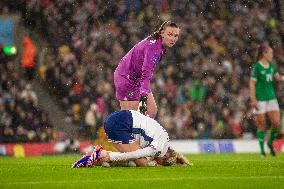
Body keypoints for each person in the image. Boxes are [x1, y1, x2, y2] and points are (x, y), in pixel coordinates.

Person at [72, 110, 191, 167]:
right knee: (143, 163)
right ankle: (99, 154)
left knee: (134, 163)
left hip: (122, 118)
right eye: (162, 163)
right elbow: (134, 154)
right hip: (120, 123)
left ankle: (99, 160)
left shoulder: (164, 142)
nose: (160, 164)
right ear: (164, 157)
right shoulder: (159, 148)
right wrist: (111, 156)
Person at [114, 21, 180, 118]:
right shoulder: (154, 49)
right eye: (170, 34)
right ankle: (115, 132)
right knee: (132, 117)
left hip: (136, 78)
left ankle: (137, 132)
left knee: (151, 111)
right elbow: (146, 73)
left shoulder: (158, 42)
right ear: (162, 33)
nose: (173, 39)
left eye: (175, 36)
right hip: (126, 79)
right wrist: (143, 99)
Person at [249, 43, 282, 157]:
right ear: (264, 54)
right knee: (262, 125)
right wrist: (253, 99)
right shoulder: (256, 67)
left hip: (271, 98)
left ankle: (270, 142)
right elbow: (252, 84)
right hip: (260, 99)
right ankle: (262, 151)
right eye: (270, 52)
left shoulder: (272, 65)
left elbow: (277, 78)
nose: (272, 54)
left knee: (276, 123)